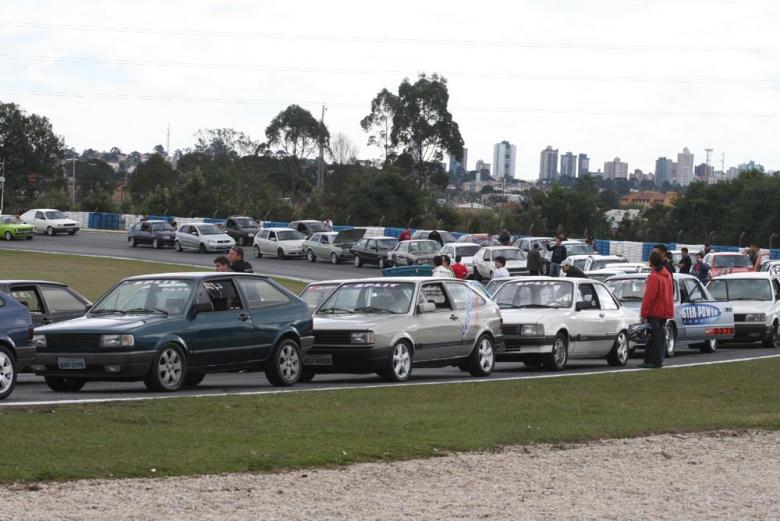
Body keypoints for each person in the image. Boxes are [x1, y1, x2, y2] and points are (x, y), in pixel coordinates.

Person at [639, 251, 674, 369]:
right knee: (659, 337)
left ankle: (654, 361)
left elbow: (649, 297)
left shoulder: (654, 277)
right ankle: (655, 360)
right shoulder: (667, 275)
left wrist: (644, 313)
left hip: (655, 312)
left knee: (653, 338)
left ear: (651, 261)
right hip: (664, 311)